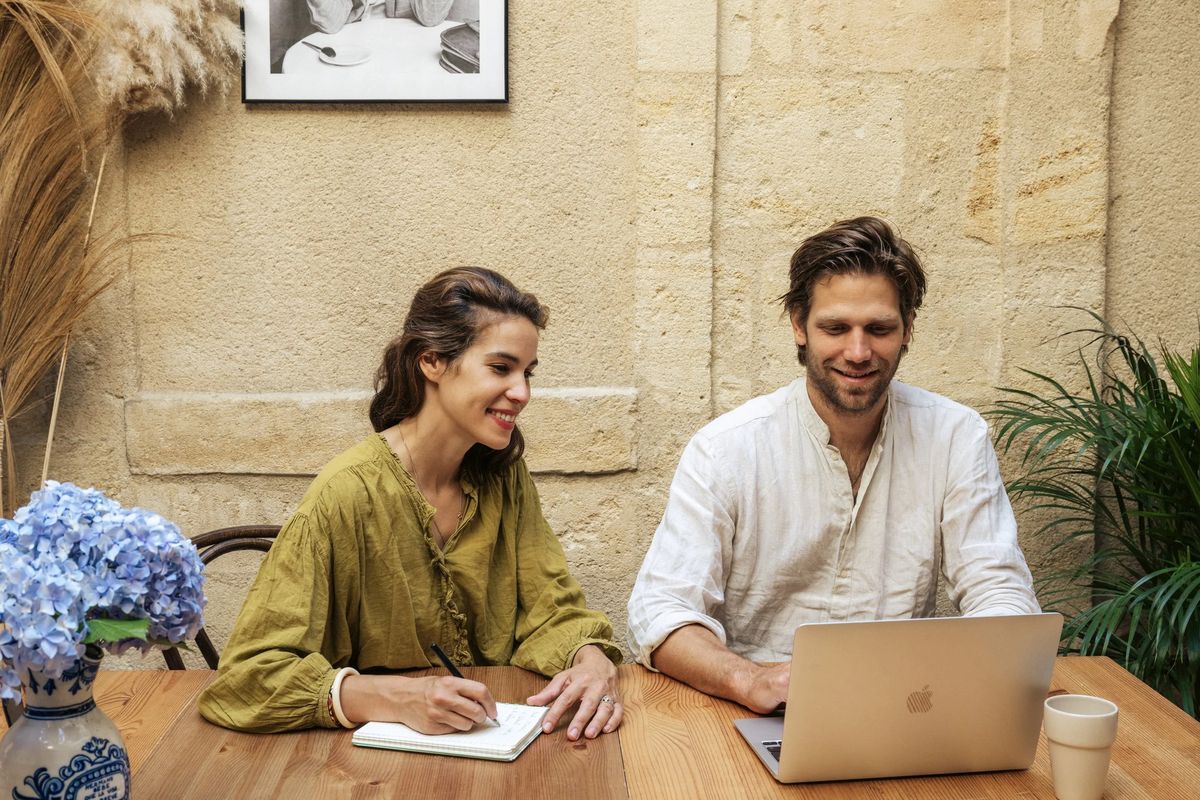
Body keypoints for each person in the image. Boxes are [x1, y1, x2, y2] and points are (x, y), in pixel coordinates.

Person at [626, 216, 1040, 713]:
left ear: (908, 329)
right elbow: (661, 611)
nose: (859, 351)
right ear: (800, 326)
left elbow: (999, 589)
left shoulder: (956, 436)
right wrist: (748, 680)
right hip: (751, 709)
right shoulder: (726, 449)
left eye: (880, 328)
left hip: (903, 709)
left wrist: (975, 672)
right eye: (836, 327)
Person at [199, 267, 623, 741]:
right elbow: (245, 679)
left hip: (501, 746)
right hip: (360, 768)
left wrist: (590, 660)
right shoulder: (347, 492)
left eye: (527, 372)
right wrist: (396, 697)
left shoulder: (505, 478)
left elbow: (552, 609)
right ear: (433, 362)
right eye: (501, 368)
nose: (522, 392)